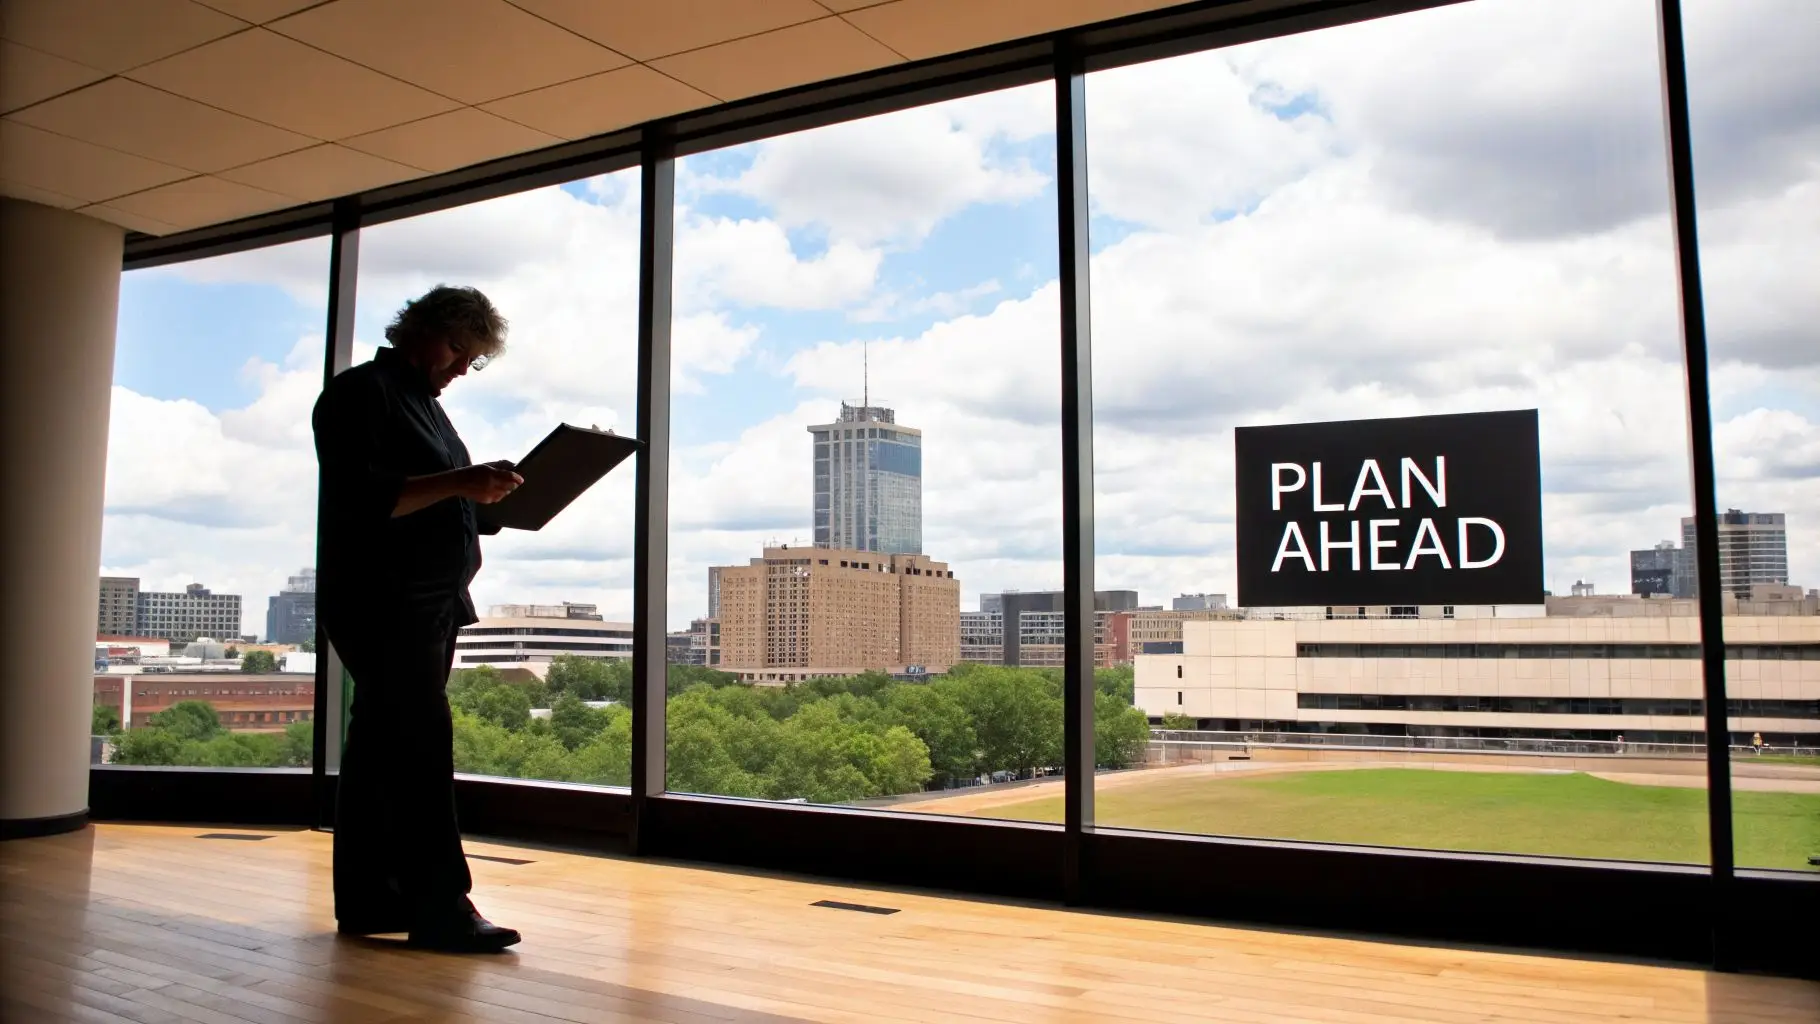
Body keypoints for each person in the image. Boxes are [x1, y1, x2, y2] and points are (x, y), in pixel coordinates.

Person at [314, 285, 524, 953]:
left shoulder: (425, 408)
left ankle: (374, 900)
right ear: (421, 328)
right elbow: (365, 498)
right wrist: (463, 484)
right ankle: (441, 907)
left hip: (427, 602)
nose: (461, 368)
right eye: (459, 349)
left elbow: (431, 498)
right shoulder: (361, 394)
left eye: (474, 360)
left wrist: (484, 497)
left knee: (381, 747)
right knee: (420, 745)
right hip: (387, 601)